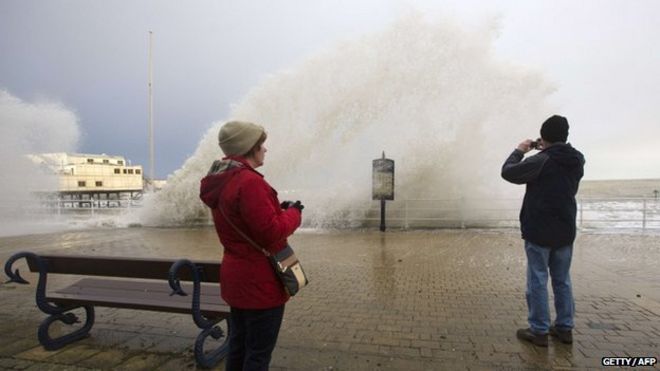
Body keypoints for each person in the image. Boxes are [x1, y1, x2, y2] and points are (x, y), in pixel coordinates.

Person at [200, 120, 304, 370]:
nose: (265, 150)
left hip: (237, 280)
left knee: (238, 346)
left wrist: (278, 211)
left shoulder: (222, 179)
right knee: (257, 355)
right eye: (262, 145)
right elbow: (271, 233)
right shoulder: (249, 182)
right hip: (260, 284)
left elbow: (248, 222)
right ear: (250, 148)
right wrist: (294, 214)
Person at [501, 115, 585, 347]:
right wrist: (546, 145)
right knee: (562, 281)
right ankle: (564, 328)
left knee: (537, 280)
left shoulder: (541, 160)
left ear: (544, 136)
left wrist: (520, 150)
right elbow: (560, 163)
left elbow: (508, 172)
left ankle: (539, 331)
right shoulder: (577, 159)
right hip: (565, 227)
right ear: (565, 136)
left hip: (539, 228)